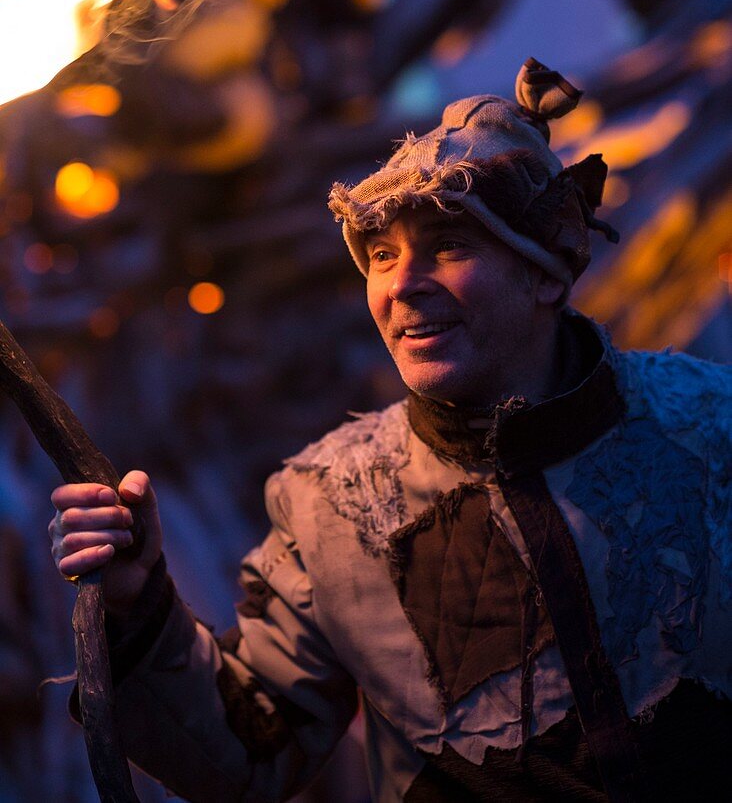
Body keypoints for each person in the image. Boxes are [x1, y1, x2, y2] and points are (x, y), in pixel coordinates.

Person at [49, 59, 731, 802]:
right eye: (381, 255)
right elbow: (244, 755)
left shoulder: (710, 430)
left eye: (448, 246)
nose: (402, 284)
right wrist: (138, 603)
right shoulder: (332, 503)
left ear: (547, 272)